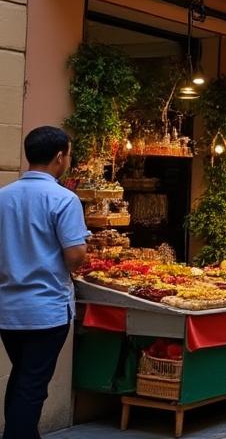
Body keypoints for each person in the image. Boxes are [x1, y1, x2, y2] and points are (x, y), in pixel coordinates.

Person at [0, 127, 86, 439]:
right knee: (33, 384)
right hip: (46, 309)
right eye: (69, 154)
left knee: (23, 377)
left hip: (8, 308)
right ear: (60, 157)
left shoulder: (3, 196)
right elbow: (75, 255)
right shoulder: (64, 199)